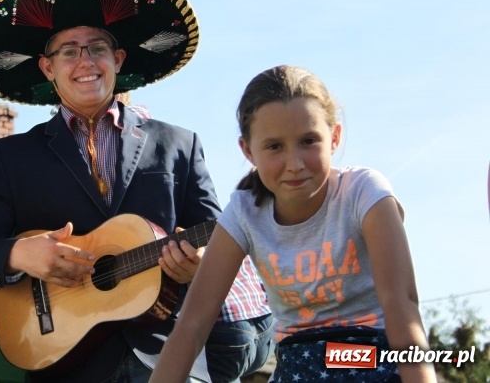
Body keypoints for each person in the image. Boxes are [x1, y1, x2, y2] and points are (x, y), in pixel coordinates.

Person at [0, 0, 272, 383]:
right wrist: (20, 253)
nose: (85, 61)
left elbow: (221, 237)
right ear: (48, 68)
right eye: (69, 51)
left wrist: (199, 263)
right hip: (65, 361)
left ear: (119, 59)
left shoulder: (179, 143)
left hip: (170, 356)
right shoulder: (13, 157)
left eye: (98, 48)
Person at [149, 65, 437, 383]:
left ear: (335, 137)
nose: (295, 164)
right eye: (274, 147)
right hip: (296, 363)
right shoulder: (245, 212)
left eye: (309, 141)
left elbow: (402, 305)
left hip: (371, 356)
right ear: (248, 150)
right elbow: (192, 326)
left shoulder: (364, 193)